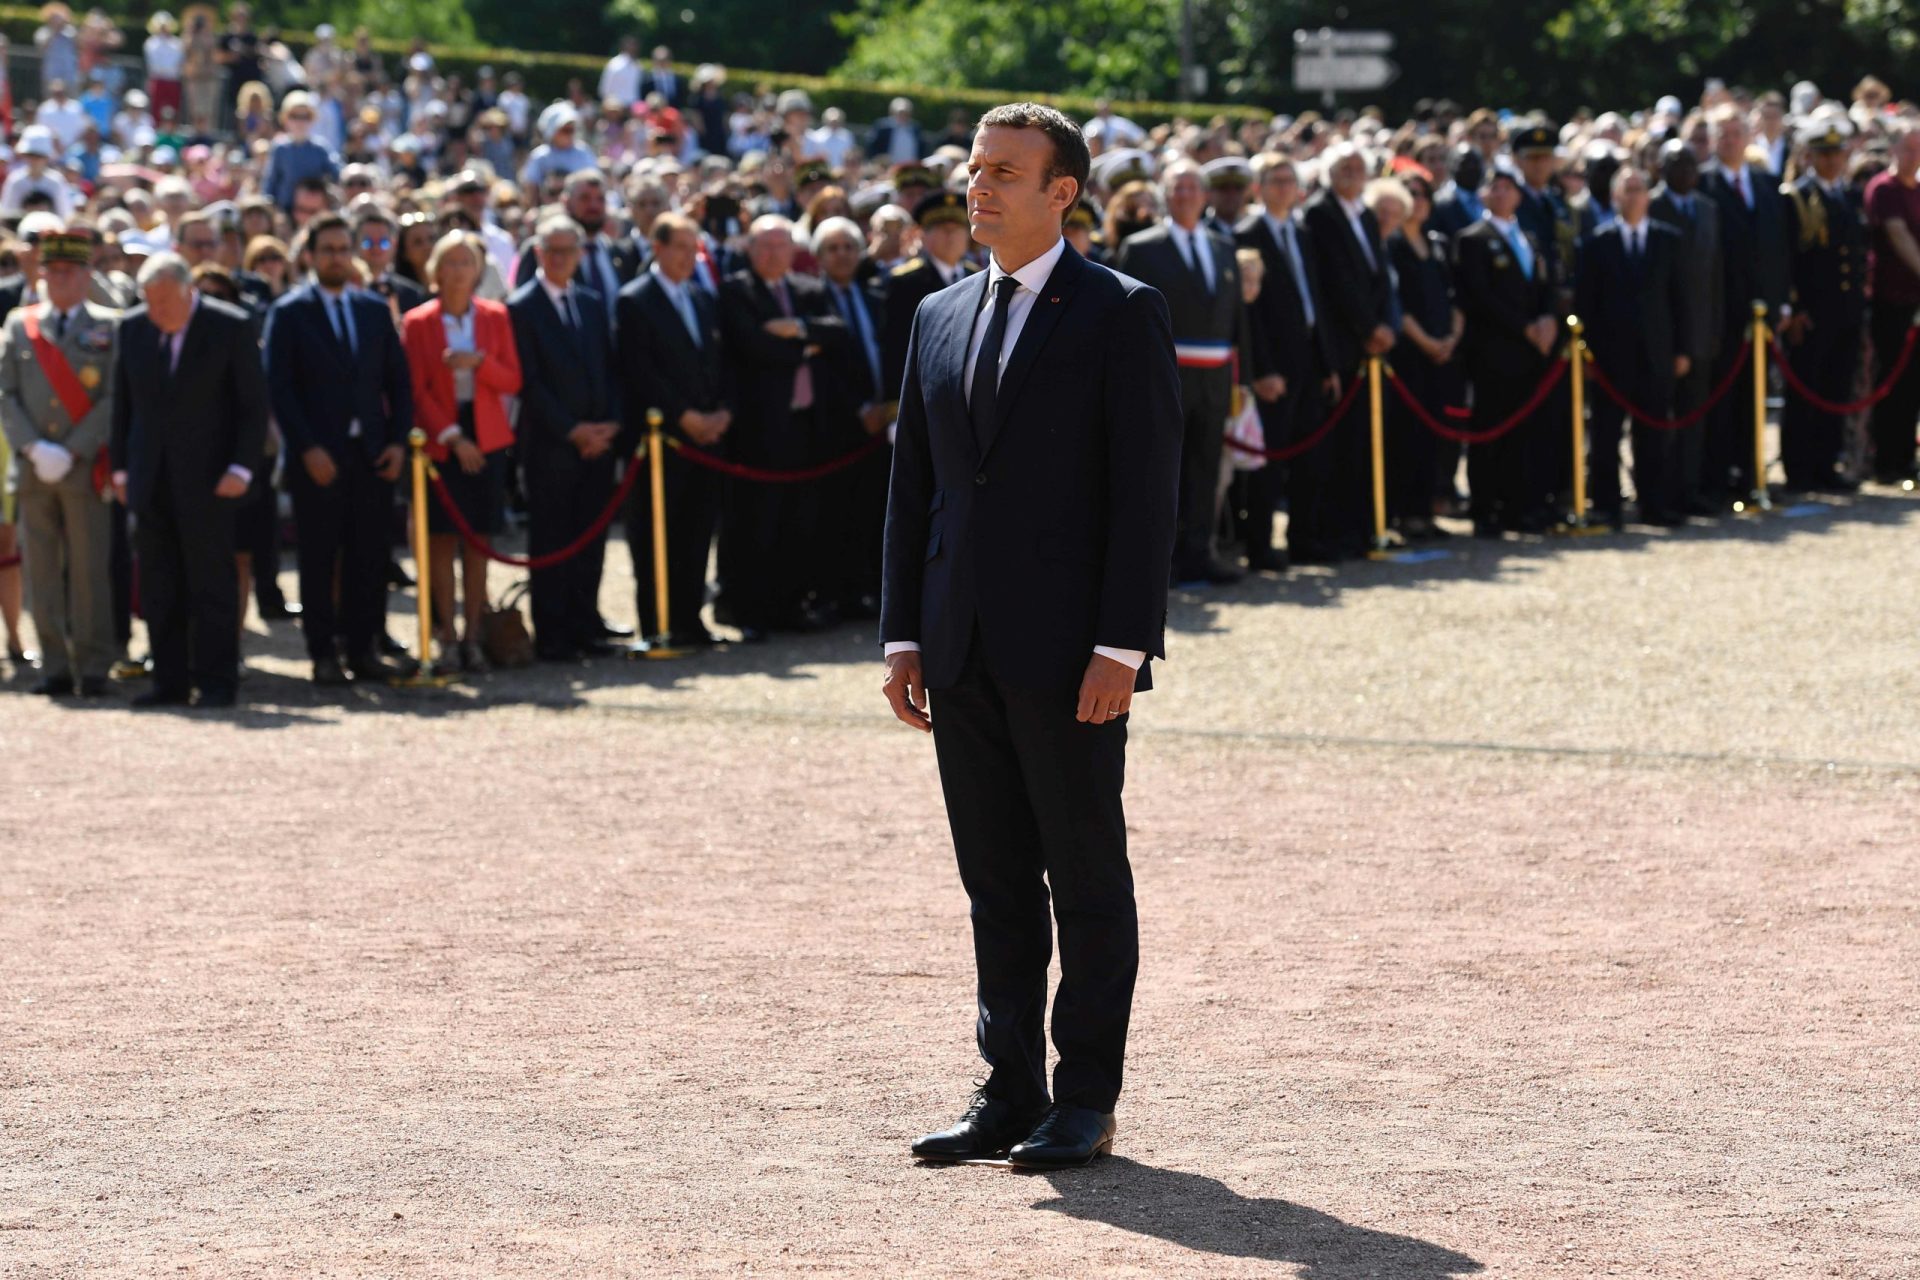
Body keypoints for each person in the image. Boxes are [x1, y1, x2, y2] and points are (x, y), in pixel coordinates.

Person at [883, 102, 1181, 1171]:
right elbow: (914, 488)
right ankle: (1007, 1088)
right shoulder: (938, 316)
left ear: (1065, 190)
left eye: (1006, 170)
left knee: (1084, 874)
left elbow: (1146, 494)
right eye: (975, 168)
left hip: (1071, 657)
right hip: (956, 647)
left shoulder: (1120, 311)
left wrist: (1123, 643)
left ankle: (1084, 1095)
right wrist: (901, 637)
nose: (981, 187)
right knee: (995, 879)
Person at [109, 252, 267, 708]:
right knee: (159, 584)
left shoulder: (230, 326)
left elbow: (253, 407)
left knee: (211, 583)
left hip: (211, 480)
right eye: (150, 302)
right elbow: (124, 406)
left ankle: (217, 680)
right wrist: (122, 469)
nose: (157, 312)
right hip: (150, 479)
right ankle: (170, 681)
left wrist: (241, 468)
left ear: (187, 291)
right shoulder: (135, 328)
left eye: (165, 302)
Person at [263, 212, 415, 686]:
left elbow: (398, 382)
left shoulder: (372, 310)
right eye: (325, 249)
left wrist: (396, 442)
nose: (334, 257)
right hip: (319, 458)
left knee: (369, 555)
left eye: (341, 248)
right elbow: (279, 389)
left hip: (370, 453)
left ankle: (363, 647)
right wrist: (306, 448)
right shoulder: (289, 312)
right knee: (318, 557)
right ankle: (323, 652)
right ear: (309, 256)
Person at [1114, 157, 1247, 585]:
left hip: (1215, 376)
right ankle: (1161, 561)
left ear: (1205, 195)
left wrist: (1243, 377)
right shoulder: (1143, 248)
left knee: (1205, 468)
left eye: (1193, 186)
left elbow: (1237, 319)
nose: (1186, 194)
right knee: (1163, 472)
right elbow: (1126, 320)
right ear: (1165, 194)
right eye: (1178, 187)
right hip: (1165, 377)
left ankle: (1200, 552)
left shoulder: (1225, 246)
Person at [0, 229, 119, 696]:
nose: (58, 280)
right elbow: (5, 393)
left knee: (90, 568)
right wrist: (33, 447)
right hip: (34, 467)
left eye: (68, 272)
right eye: (51, 271)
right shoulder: (19, 323)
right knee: (42, 570)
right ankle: (53, 663)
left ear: (87, 274)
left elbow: (114, 397)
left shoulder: (111, 324)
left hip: (83, 464)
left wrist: (72, 449)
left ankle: (93, 663)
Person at [716, 214, 845, 638]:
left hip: (806, 424)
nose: (773, 254)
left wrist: (798, 330)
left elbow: (838, 334)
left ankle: (791, 605)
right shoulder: (737, 290)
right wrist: (807, 348)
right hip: (760, 427)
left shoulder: (807, 288)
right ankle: (748, 610)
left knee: (801, 520)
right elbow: (754, 348)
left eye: (781, 245)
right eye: (765, 246)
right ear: (750, 250)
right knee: (757, 522)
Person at [402, 230, 521, 671]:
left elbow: (512, 379)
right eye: (449, 262)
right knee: (439, 542)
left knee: (478, 542)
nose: (457, 271)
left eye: (465, 262)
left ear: (478, 270)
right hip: (440, 441)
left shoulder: (495, 317)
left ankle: (473, 634)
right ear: (435, 270)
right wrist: (452, 436)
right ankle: (446, 635)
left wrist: (479, 364)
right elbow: (415, 390)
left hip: (487, 435)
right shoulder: (418, 322)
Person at [507, 213, 621, 661]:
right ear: (538, 254)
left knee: (591, 537)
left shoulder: (591, 303)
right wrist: (572, 430)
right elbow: (529, 383)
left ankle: (585, 623)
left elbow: (609, 369)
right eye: (552, 251)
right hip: (552, 445)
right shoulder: (521, 306)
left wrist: (609, 423)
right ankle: (553, 633)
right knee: (552, 539)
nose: (560, 259)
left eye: (568, 251)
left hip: (596, 442)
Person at [615, 211, 727, 647]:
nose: (687, 256)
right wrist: (684, 416)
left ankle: (690, 619)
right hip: (662, 443)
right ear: (657, 248)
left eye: (692, 248)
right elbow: (640, 370)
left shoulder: (702, 298)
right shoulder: (635, 299)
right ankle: (658, 622)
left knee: (697, 532)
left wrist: (720, 413)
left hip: (706, 440)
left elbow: (717, 363)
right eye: (679, 247)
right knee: (655, 536)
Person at [1575, 166, 1692, 526]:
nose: (1633, 196)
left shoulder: (1668, 240)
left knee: (1654, 433)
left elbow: (1680, 300)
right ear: (1614, 197)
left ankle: (1653, 503)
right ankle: (1607, 505)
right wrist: (1588, 355)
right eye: (1626, 190)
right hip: (1611, 356)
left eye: (1638, 189)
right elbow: (1587, 304)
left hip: (1656, 353)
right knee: (1606, 434)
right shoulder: (1597, 242)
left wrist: (1681, 349)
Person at [1235, 152, 1332, 570]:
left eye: (1289, 180)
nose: (1284, 188)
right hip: (1274, 365)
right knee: (1269, 463)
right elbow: (1249, 315)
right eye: (1275, 181)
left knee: (1310, 459)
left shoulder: (1304, 232)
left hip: (1310, 361)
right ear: (1259, 188)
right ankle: (1259, 546)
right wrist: (1261, 371)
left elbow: (1316, 301)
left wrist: (1327, 365)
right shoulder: (1246, 233)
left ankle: (1305, 538)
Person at [1455, 165, 1558, 536]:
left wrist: (1547, 319)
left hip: (1532, 352)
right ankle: (1486, 508)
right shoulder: (1473, 239)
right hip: (1495, 350)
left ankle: (1521, 505)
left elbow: (1545, 284)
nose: (1500, 193)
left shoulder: (1528, 238)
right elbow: (1481, 296)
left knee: (1526, 433)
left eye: (1507, 187)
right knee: (1491, 431)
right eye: (1493, 187)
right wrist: (1525, 327)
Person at [1303, 142, 1395, 558]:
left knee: (1362, 442)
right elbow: (1337, 282)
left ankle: (1361, 526)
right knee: (1335, 446)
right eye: (1344, 166)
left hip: (1366, 344)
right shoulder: (1321, 213)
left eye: (1359, 166)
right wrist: (1368, 327)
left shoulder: (1368, 215)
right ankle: (1333, 531)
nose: (1352, 172)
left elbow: (1377, 276)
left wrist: (1382, 325)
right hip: (1339, 342)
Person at [1699, 104, 1790, 499]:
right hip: (1722, 310)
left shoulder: (1766, 183)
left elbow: (1779, 249)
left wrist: (1781, 301)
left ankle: (1754, 475)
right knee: (1722, 397)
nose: (1731, 140)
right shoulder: (1702, 185)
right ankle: (1720, 479)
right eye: (1724, 134)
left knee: (1756, 397)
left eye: (1737, 132)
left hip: (1762, 311)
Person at [810, 214, 891, 617]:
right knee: (833, 515)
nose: (842, 256)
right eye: (832, 248)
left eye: (848, 247)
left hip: (881, 426)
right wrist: (859, 410)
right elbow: (822, 370)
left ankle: (868, 592)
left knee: (874, 510)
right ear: (818, 256)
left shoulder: (877, 295)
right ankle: (834, 594)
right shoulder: (811, 299)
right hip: (835, 427)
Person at [1779, 120, 1866, 493]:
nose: (1832, 161)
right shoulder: (1796, 197)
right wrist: (1795, 307)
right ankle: (1800, 469)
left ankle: (1827, 464)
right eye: (1824, 154)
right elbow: (1787, 259)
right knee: (1805, 391)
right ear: (1810, 156)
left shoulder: (1849, 196)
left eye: (1837, 153)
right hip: (1811, 313)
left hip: (1844, 311)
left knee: (1835, 388)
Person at [1382, 171, 1465, 538]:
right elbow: (1399, 304)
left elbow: (1454, 296)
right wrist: (1427, 342)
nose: (1417, 200)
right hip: (1410, 355)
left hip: (1442, 354)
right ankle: (1404, 512)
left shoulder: (1438, 243)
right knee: (1407, 435)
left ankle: (1426, 508)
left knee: (1436, 435)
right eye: (1409, 193)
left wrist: (1450, 338)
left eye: (1422, 194)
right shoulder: (1393, 245)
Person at [1649, 140, 1725, 513]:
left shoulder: (1708, 210)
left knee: (1696, 419)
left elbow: (1716, 278)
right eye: (1676, 164)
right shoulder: (1651, 207)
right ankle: (1660, 493)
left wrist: (1715, 331)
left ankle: (1690, 489)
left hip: (1701, 332)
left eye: (1691, 165)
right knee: (1660, 419)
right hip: (1662, 336)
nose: (1685, 172)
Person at [1864, 123, 1920, 486]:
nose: (1913, 156)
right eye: (1908, 148)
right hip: (1891, 300)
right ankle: (1885, 459)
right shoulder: (1883, 189)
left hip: (1915, 302)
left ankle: (1904, 456)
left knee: (1913, 383)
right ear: (1893, 149)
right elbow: (1899, 236)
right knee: (1891, 381)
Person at [881, 190, 978, 398]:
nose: (950, 235)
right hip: (925, 393)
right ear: (924, 235)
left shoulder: (977, 276)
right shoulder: (904, 282)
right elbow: (897, 347)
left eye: (957, 228)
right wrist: (894, 405)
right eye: (942, 229)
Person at [261, 91, 337, 214]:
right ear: (285, 119)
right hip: (285, 212)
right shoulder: (280, 148)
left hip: (313, 212)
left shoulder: (320, 148)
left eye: (305, 117)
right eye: (294, 116)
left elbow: (337, 174)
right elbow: (270, 183)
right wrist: (272, 211)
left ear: (313, 119)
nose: (300, 122)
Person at [143, 11, 183, 124]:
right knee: (156, 108)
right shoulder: (151, 43)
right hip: (158, 79)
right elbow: (155, 64)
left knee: (173, 108)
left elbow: (177, 62)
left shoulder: (177, 43)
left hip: (172, 81)